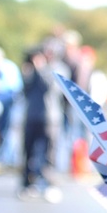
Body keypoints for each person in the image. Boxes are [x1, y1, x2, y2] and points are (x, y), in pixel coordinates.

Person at [18, 40, 65, 202]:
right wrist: (28, 73)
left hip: (51, 118)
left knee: (49, 153)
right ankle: (28, 183)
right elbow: (25, 90)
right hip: (31, 116)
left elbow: (50, 88)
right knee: (28, 151)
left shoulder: (59, 68)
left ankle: (49, 184)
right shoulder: (32, 69)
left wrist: (41, 69)